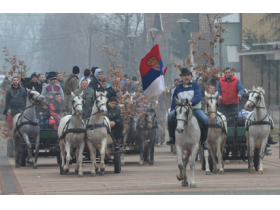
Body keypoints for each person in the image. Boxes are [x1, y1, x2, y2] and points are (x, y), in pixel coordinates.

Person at [166, 68, 209, 150]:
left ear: (191, 76)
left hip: (194, 109)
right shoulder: (177, 88)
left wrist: (191, 102)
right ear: (181, 77)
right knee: (170, 116)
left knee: (205, 119)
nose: (186, 77)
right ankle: (172, 138)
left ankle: (203, 141)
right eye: (184, 75)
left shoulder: (195, 85)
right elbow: (174, 101)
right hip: (181, 110)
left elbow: (198, 96)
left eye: (188, 75)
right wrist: (172, 110)